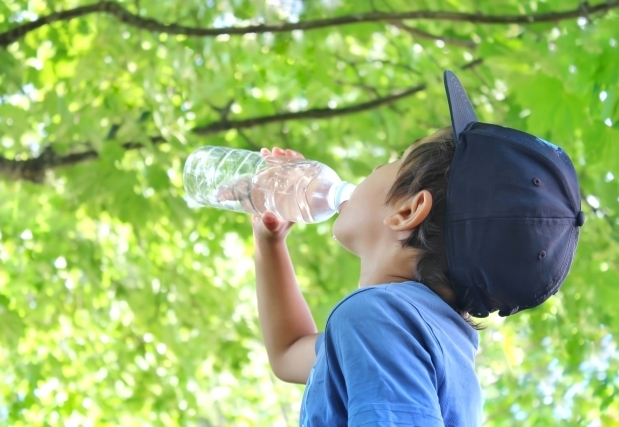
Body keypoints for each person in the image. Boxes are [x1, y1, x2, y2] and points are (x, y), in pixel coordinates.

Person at [251, 71, 585, 426]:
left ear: (407, 211)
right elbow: (288, 354)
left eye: (393, 162)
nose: (376, 167)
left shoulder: (378, 318)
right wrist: (269, 242)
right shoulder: (431, 339)